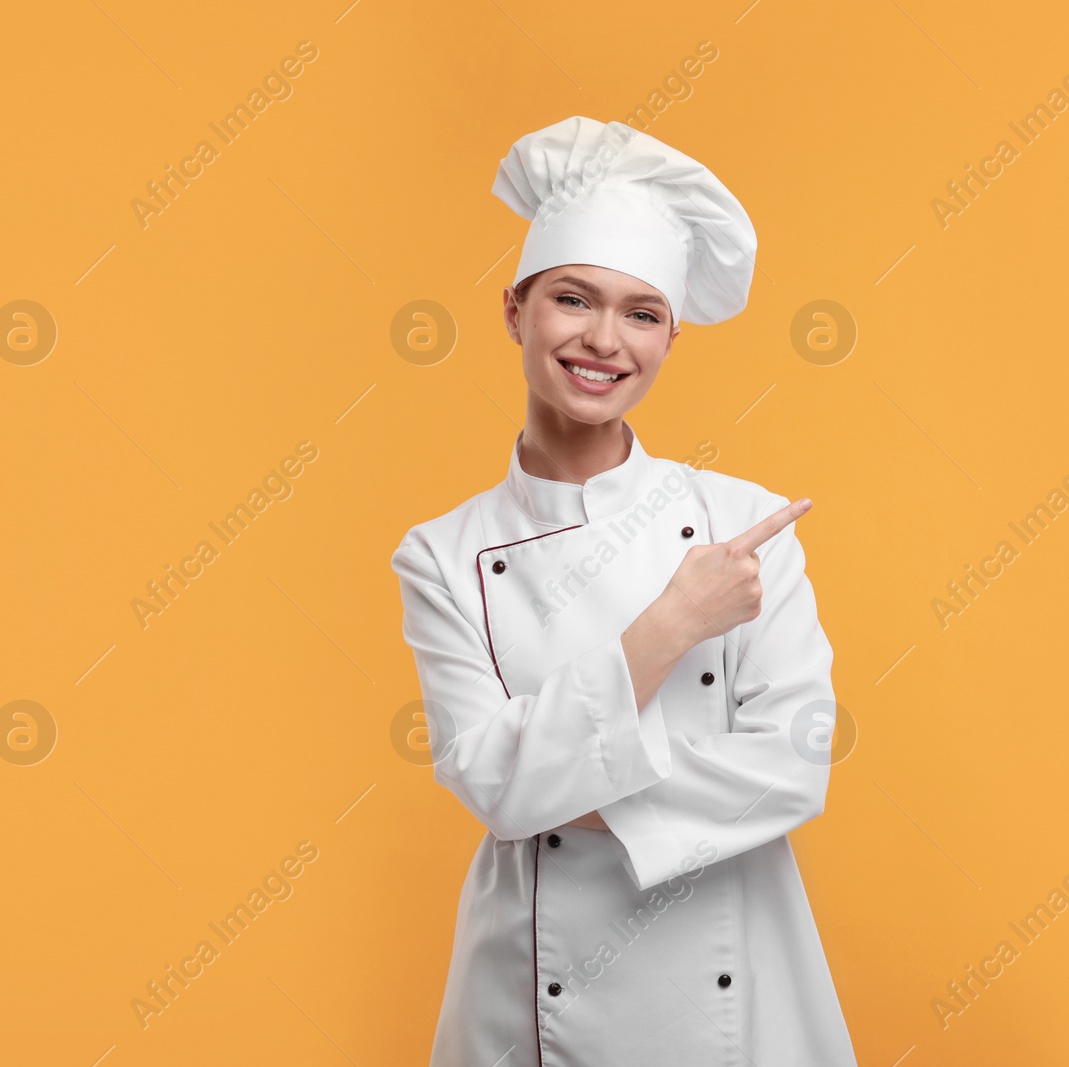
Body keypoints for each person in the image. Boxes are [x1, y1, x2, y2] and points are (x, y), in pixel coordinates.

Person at [391, 114, 857, 1066]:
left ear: (672, 338)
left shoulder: (743, 521)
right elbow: (494, 788)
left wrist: (555, 781)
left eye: (642, 313)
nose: (604, 340)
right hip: (525, 995)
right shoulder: (443, 553)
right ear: (516, 310)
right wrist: (673, 624)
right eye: (574, 299)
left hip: (733, 991)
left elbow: (795, 762)